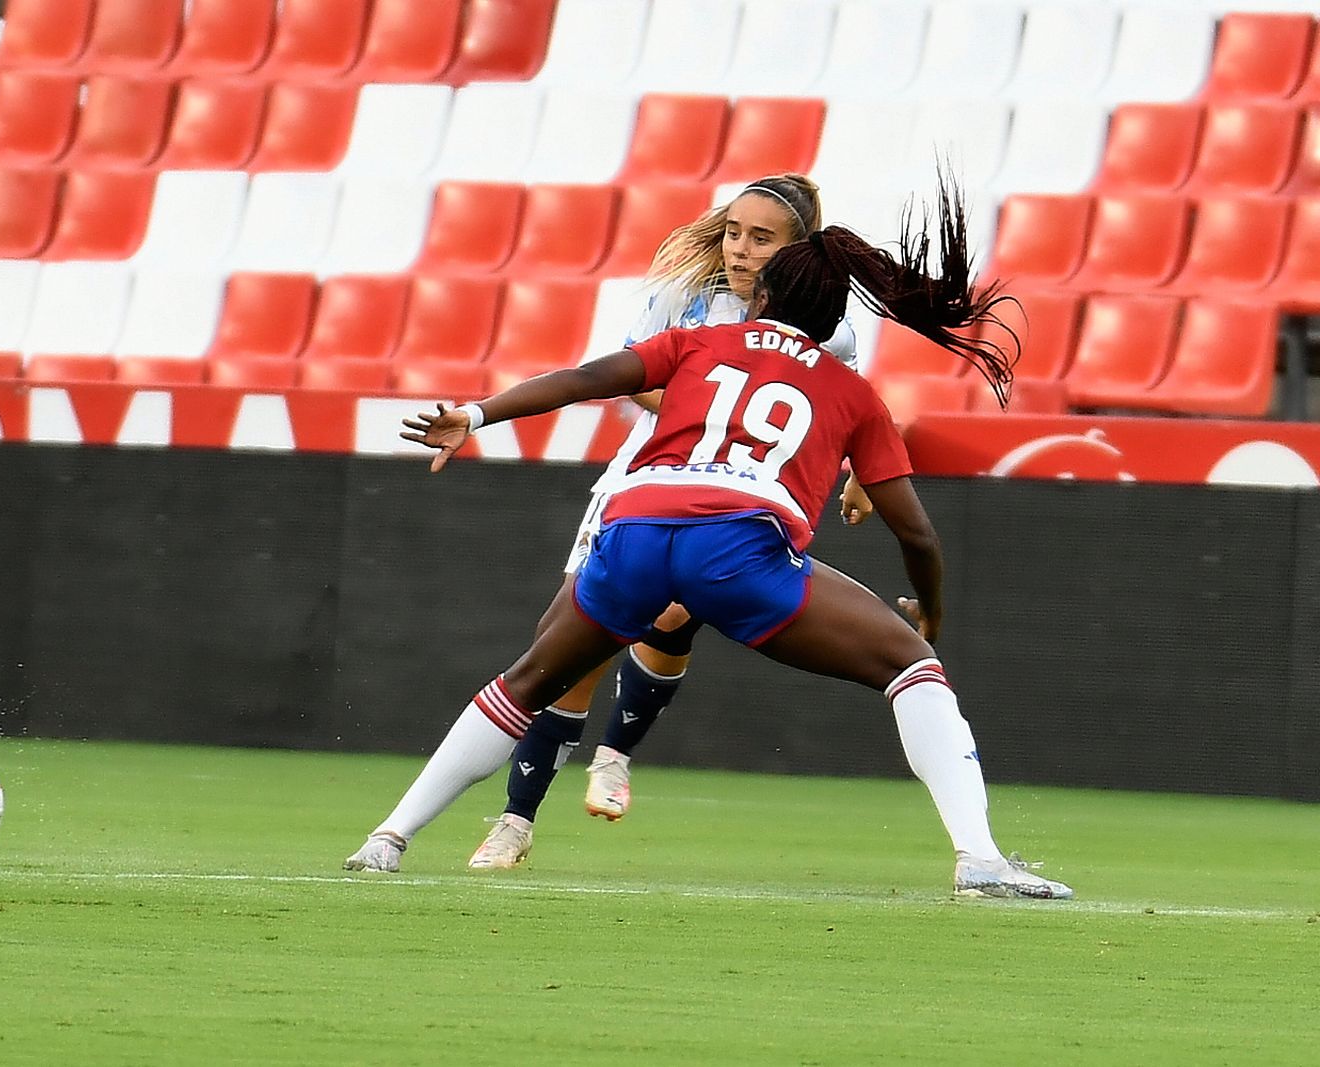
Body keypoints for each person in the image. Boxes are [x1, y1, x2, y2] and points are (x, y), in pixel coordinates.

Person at [347, 175, 1074, 899]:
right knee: (911, 668)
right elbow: (915, 528)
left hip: (636, 524)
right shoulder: (853, 390)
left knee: (529, 678)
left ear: (767, 293)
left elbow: (580, 378)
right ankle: (978, 861)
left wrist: (474, 416)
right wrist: (933, 610)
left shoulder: (698, 339)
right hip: (736, 543)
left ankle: (389, 836)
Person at [342, 174, 868, 872]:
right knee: (569, 651)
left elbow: (845, 407)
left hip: (741, 495)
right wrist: (711, 400)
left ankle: (615, 752)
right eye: (735, 232)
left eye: (761, 238)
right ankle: (514, 819)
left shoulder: (830, 331)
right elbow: (630, 374)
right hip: (644, 473)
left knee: (678, 609)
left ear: (797, 249)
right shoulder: (682, 298)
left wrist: (857, 472)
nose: (741, 250)